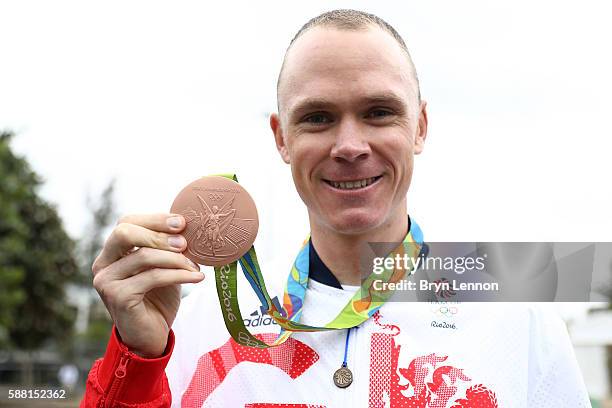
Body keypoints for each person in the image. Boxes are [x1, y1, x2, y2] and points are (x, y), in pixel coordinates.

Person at [80, 9, 590, 408]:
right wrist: (138, 360)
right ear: (282, 138)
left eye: (379, 112)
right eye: (319, 117)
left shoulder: (517, 307)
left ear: (420, 126)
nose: (349, 145)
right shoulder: (204, 315)